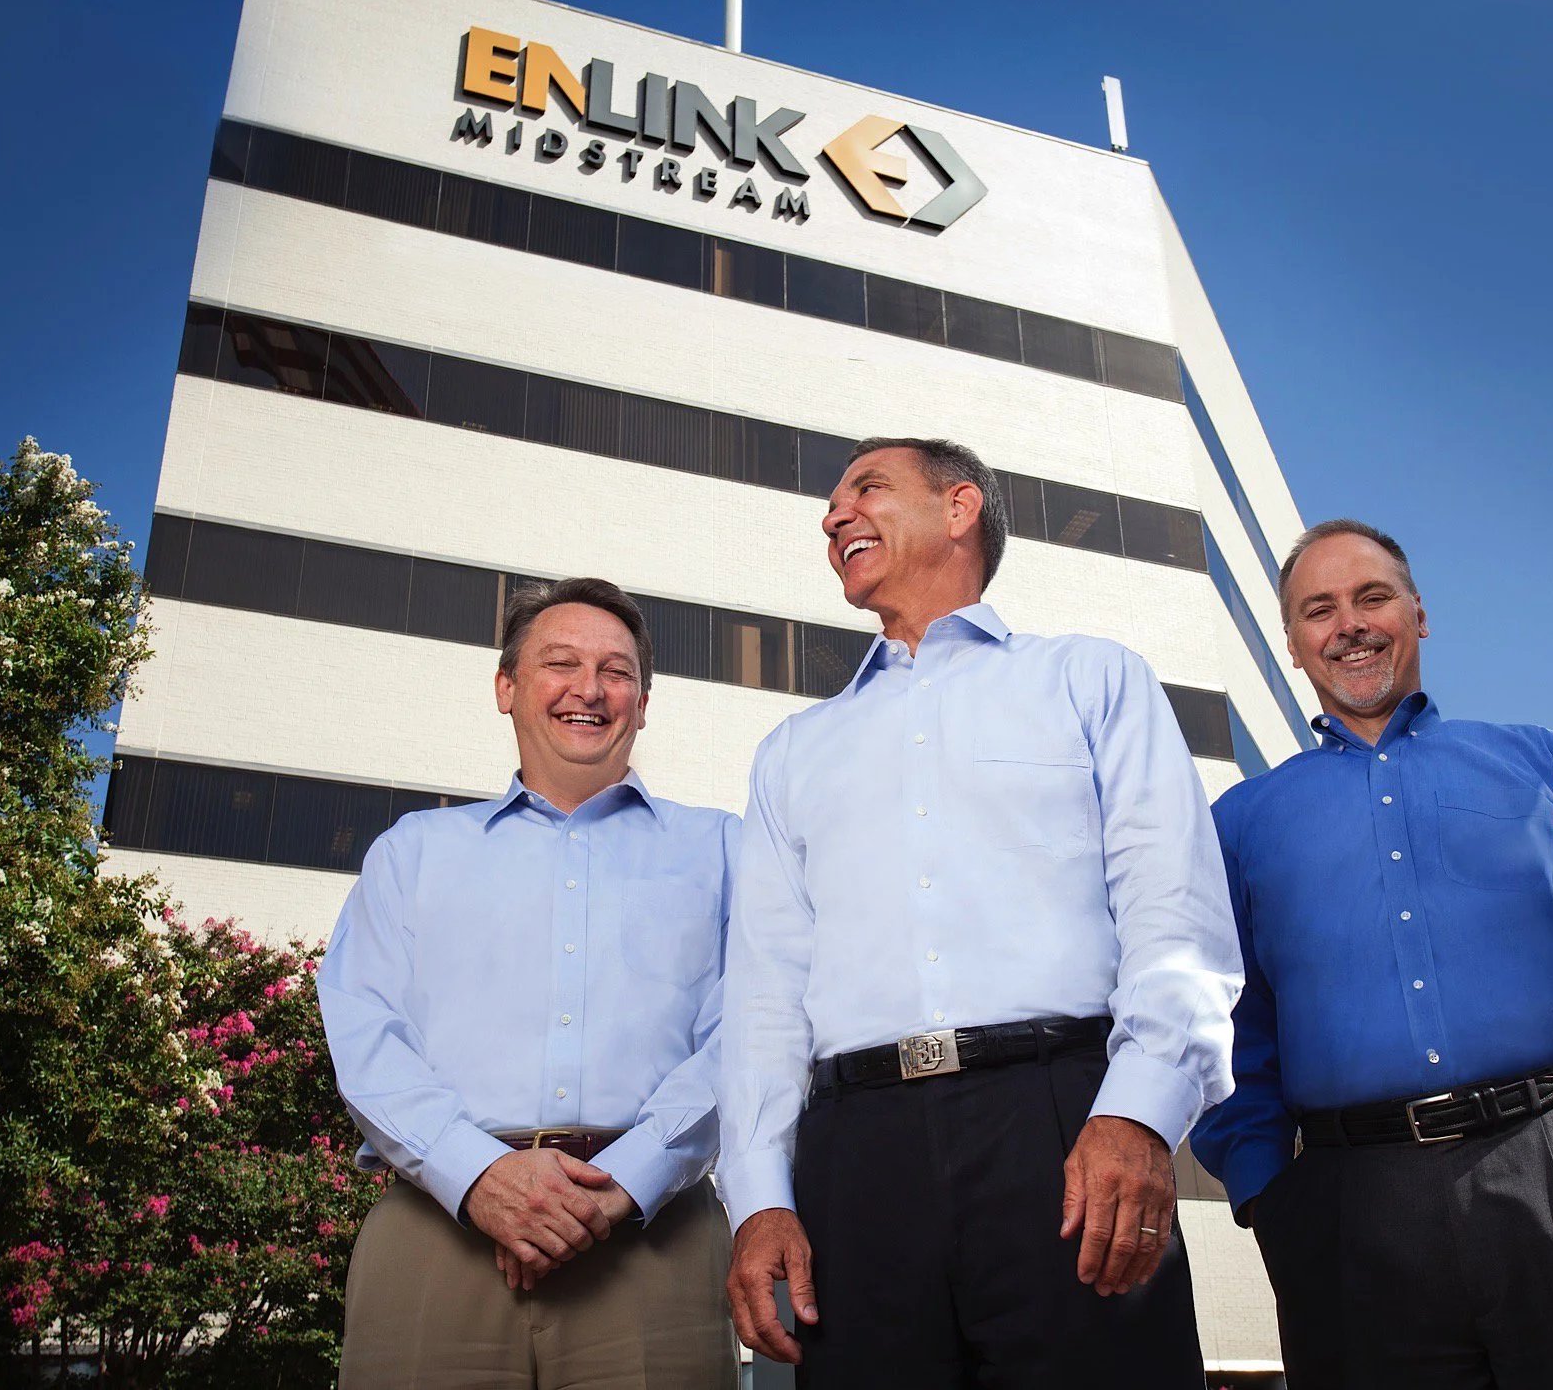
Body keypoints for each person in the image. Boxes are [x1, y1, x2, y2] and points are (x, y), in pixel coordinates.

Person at [716, 437, 1243, 1389]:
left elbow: (1176, 915)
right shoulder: (792, 752)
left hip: (1062, 1124)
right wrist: (757, 1196)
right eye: (830, 505)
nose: (834, 515)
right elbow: (763, 994)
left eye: (865, 488)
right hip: (856, 1156)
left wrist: (1139, 1114)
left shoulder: (1093, 679)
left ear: (961, 508)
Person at [1190, 519, 1553, 1388]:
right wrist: (1271, 1196)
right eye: (1319, 609)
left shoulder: (1545, 768)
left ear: (1419, 614)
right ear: (1294, 646)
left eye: (1373, 597)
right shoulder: (1239, 826)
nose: (1350, 624)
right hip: (1349, 1210)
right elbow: (1227, 1026)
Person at [317, 577, 739, 1389]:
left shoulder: (726, 850)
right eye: (561, 663)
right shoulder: (414, 851)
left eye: (616, 671)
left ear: (644, 702)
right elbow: (364, 1030)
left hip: (652, 1239)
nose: (589, 688)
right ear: (506, 687)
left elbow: (747, 1035)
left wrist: (625, 1179)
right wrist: (478, 1175)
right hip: (436, 1232)